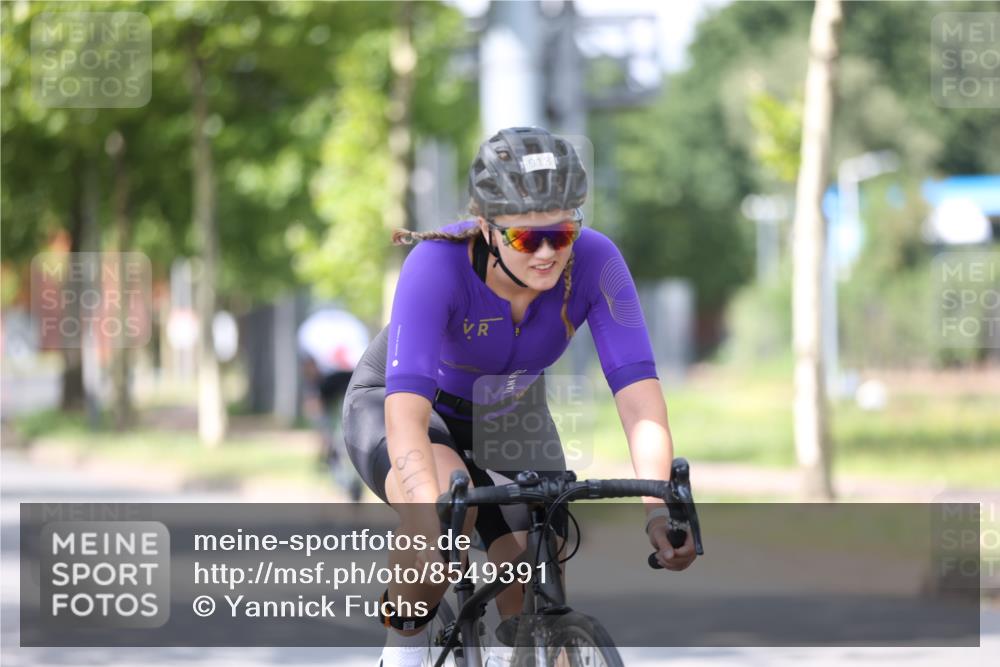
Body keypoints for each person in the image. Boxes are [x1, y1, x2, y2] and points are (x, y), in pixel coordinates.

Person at [342, 127, 696, 667]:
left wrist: (658, 510)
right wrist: (425, 517)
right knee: (438, 532)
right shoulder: (436, 266)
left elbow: (640, 401)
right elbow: (406, 412)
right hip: (412, 407)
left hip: (509, 412)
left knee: (533, 567)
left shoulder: (597, 262)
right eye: (528, 239)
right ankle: (403, 649)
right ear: (485, 227)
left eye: (564, 232)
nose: (549, 253)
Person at [297, 306, 370, 501]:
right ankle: (343, 450)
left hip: (329, 378)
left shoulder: (310, 328)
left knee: (320, 414)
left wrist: (313, 399)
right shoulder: (352, 324)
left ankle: (328, 446)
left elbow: (310, 368)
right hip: (354, 375)